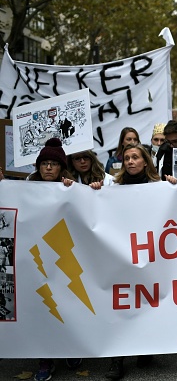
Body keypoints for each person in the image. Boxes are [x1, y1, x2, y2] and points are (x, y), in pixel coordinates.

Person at [106, 144, 175, 380]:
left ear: (145, 161)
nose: (130, 162)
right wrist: (95, 190)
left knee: (147, 302)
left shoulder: (159, 187)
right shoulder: (113, 188)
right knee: (122, 305)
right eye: (126, 158)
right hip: (122, 254)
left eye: (135, 157)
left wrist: (176, 188)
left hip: (150, 254)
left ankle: (146, 346)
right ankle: (117, 359)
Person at [17, 138, 80, 381]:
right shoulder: (25, 187)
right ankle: (45, 359)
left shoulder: (69, 187)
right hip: (35, 258)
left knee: (66, 306)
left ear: (61, 167)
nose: (49, 168)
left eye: (54, 164)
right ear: (38, 166)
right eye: (45, 163)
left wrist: (75, 191)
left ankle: (70, 348)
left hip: (63, 256)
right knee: (43, 308)